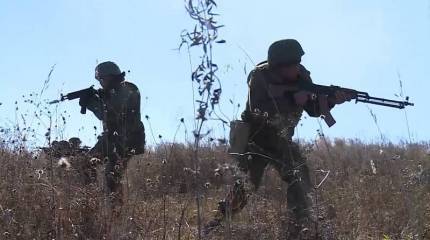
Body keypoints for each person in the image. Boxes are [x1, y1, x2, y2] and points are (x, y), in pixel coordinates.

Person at [205, 39, 354, 238]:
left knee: (300, 176)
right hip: (255, 139)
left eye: (298, 62)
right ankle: (216, 224)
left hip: (282, 139)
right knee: (246, 187)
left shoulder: (303, 77)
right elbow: (258, 109)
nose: (296, 68)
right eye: (292, 64)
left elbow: (313, 109)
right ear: (278, 66)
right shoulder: (260, 76)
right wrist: (292, 99)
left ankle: (299, 226)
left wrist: (332, 101)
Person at [80, 61, 146, 206]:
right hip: (112, 137)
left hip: (127, 141)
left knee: (112, 177)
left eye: (102, 80)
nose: (101, 83)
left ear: (110, 77)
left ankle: (115, 214)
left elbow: (110, 115)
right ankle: (91, 202)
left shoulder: (128, 89)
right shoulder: (113, 91)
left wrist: (91, 103)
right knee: (86, 163)